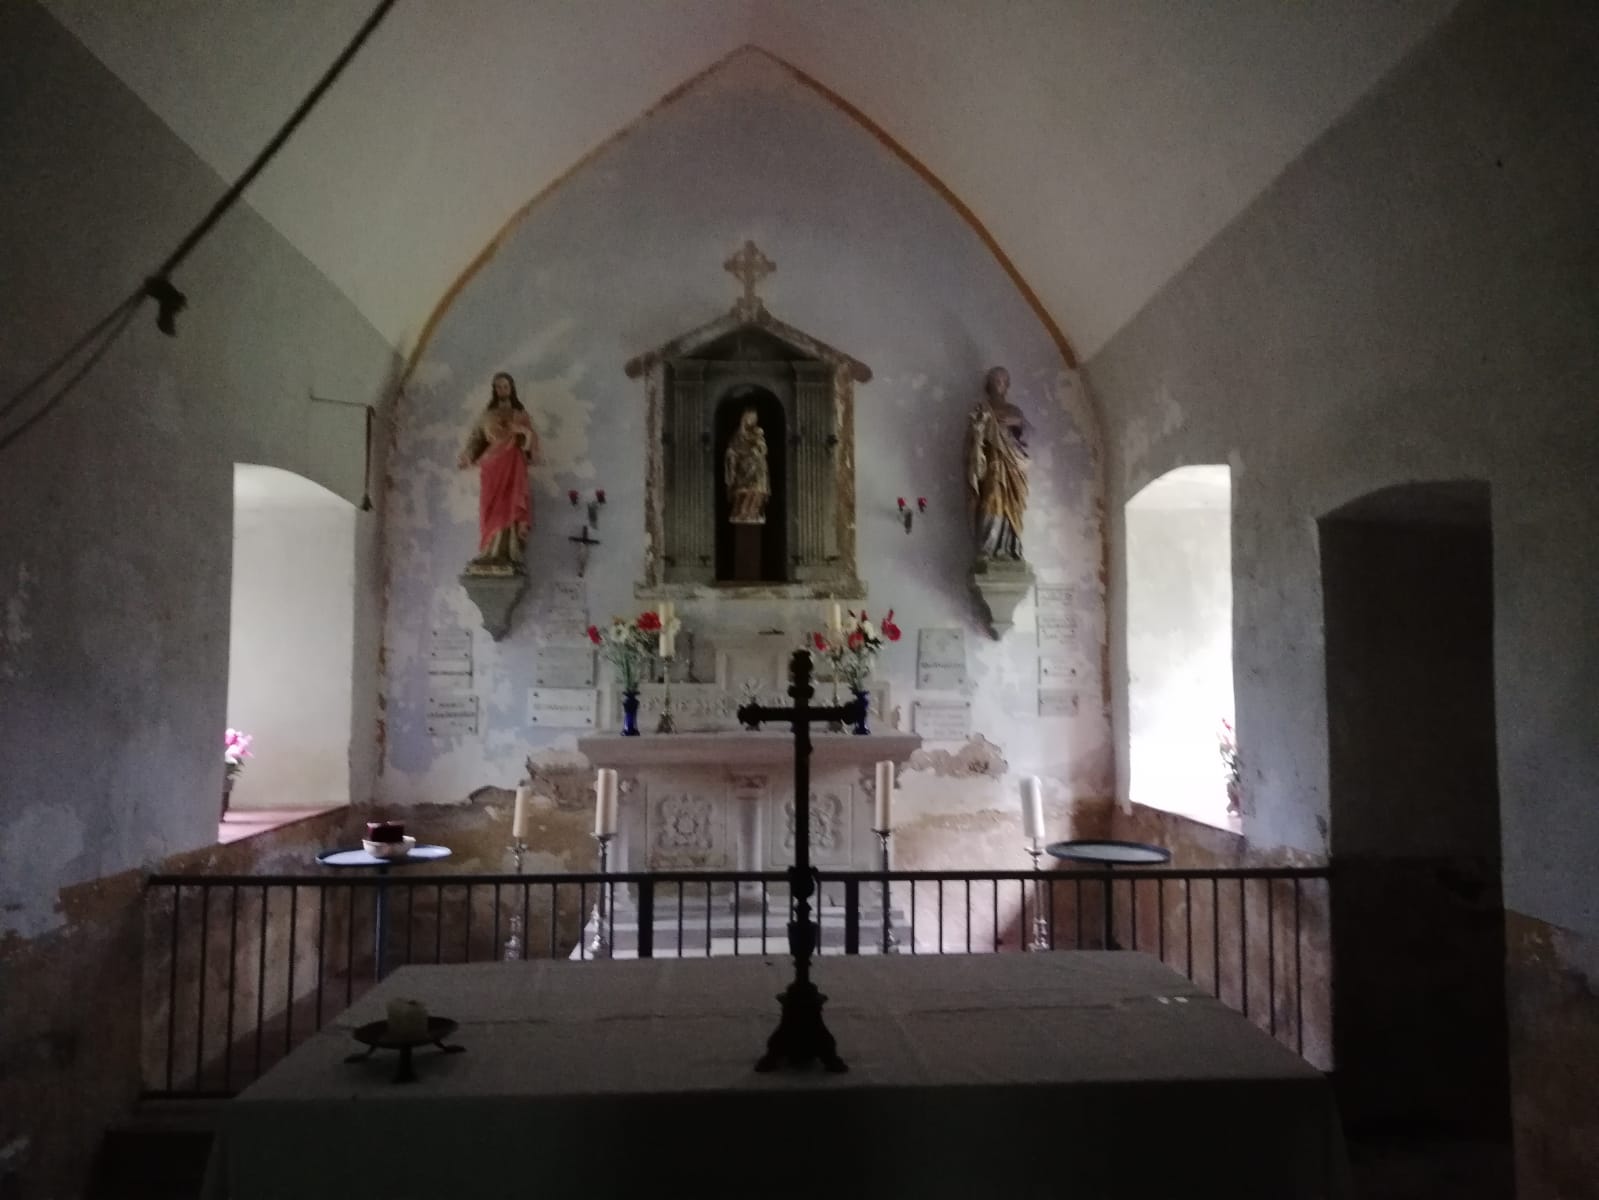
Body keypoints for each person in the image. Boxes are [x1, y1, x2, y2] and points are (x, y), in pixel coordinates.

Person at [458, 372, 538, 571]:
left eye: (505, 386)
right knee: (490, 507)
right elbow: (477, 439)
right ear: (494, 390)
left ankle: (508, 553)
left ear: (512, 388)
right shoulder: (487, 416)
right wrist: (468, 456)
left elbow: (529, 446)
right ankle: (488, 552)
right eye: (498, 387)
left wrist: (523, 432)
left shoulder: (520, 415)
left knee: (510, 505)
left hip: (513, 465)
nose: (502, 390)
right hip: (492, 467)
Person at [965, 366, 1030, 562]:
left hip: (1012, 465)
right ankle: (988, 547)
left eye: (1002, 381)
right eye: (995, 380)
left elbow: (1027, 436)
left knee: (1011, 503)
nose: (998, 384)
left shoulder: (1014, 410)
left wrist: (1015, 421)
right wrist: (980, 429)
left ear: (1007, 385)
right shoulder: (982, 409)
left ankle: (1011, 546)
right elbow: (972, 439)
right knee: (991, 498)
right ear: (989, 384)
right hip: (991, 464)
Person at [724, 408, 770, 525]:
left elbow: (763, 449)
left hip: (756, 468)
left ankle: (753, 512)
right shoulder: (738, 435)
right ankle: (741, 512)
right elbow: (732, 449)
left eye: (753, 417)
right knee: (742, 492)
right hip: (742, 469)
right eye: (749, 417)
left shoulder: (758, 433)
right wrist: (733, 455)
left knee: (757, 491)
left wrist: (756, 452)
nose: (751, 420)